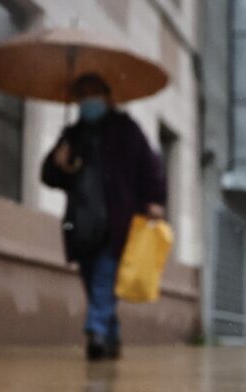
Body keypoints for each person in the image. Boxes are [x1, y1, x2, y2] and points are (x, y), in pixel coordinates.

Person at [41, 74, 167, 361]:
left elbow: (152, 166)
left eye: (94, 92)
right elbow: (49, 177)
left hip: (116, 221)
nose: (88, 100)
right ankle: (111, 335)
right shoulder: (72, 134)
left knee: (104, 278)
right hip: (81, 222)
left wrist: (155, 200)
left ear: (108, 97)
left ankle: (95, 333)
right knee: (92, 280)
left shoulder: (126, 130)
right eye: (83, 94)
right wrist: (57, 163)